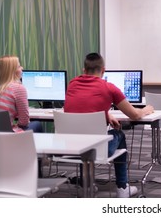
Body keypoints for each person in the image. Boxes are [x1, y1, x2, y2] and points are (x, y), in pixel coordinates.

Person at [64, 52, 154, 198]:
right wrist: (146, 109)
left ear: (83, 70)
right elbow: (134, 115)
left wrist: (106, 114)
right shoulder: (109, 88)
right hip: (98, 150)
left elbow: (83, 107)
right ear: (103, 70)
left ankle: (86, 185)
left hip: (71, 148)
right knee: (119, 134)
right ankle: (122, 187)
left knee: (81, 137)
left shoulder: (72, 84)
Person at [0, 55, 43, 133]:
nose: (22, 68)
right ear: (12, 71)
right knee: (37, 124)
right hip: (7, 136)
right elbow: (24, 121)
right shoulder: (18, 88)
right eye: (18, 66)